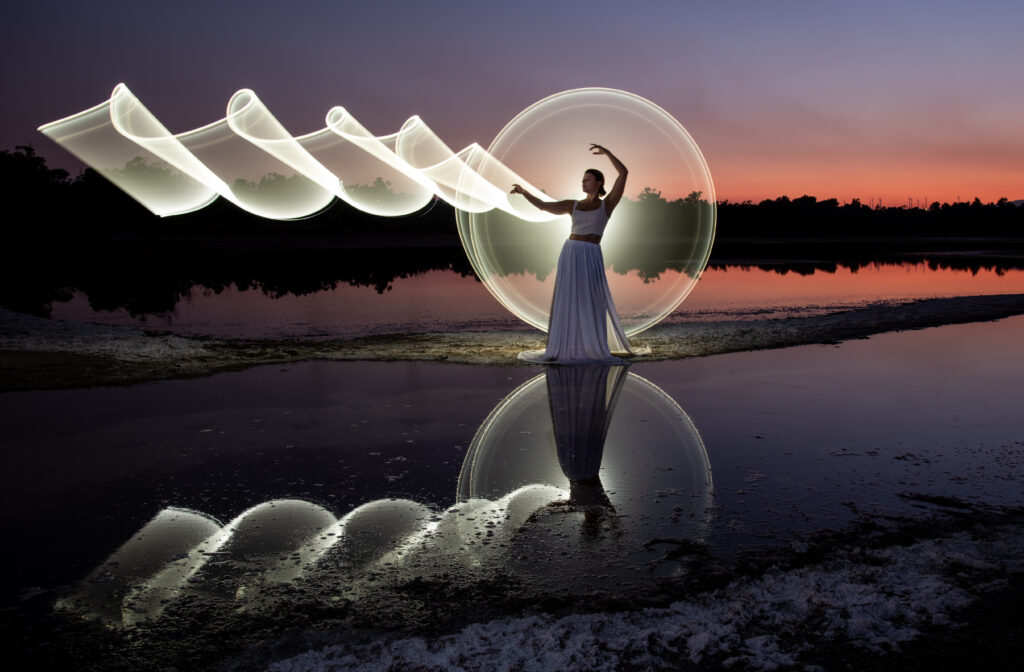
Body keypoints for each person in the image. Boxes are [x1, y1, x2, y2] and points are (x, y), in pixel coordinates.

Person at [511, 144, 649, 363]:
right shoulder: (572, 205)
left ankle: (592, 345)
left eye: (587, 179)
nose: (583, 182)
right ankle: (568, 345)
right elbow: (544, 206)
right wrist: (524, 192)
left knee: (591, 300)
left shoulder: (607, 205)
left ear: (598, 182)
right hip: (571, 253)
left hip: (592, 253)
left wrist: (608, 153)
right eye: (582, 179)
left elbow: (624, 173)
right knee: (569, 299)